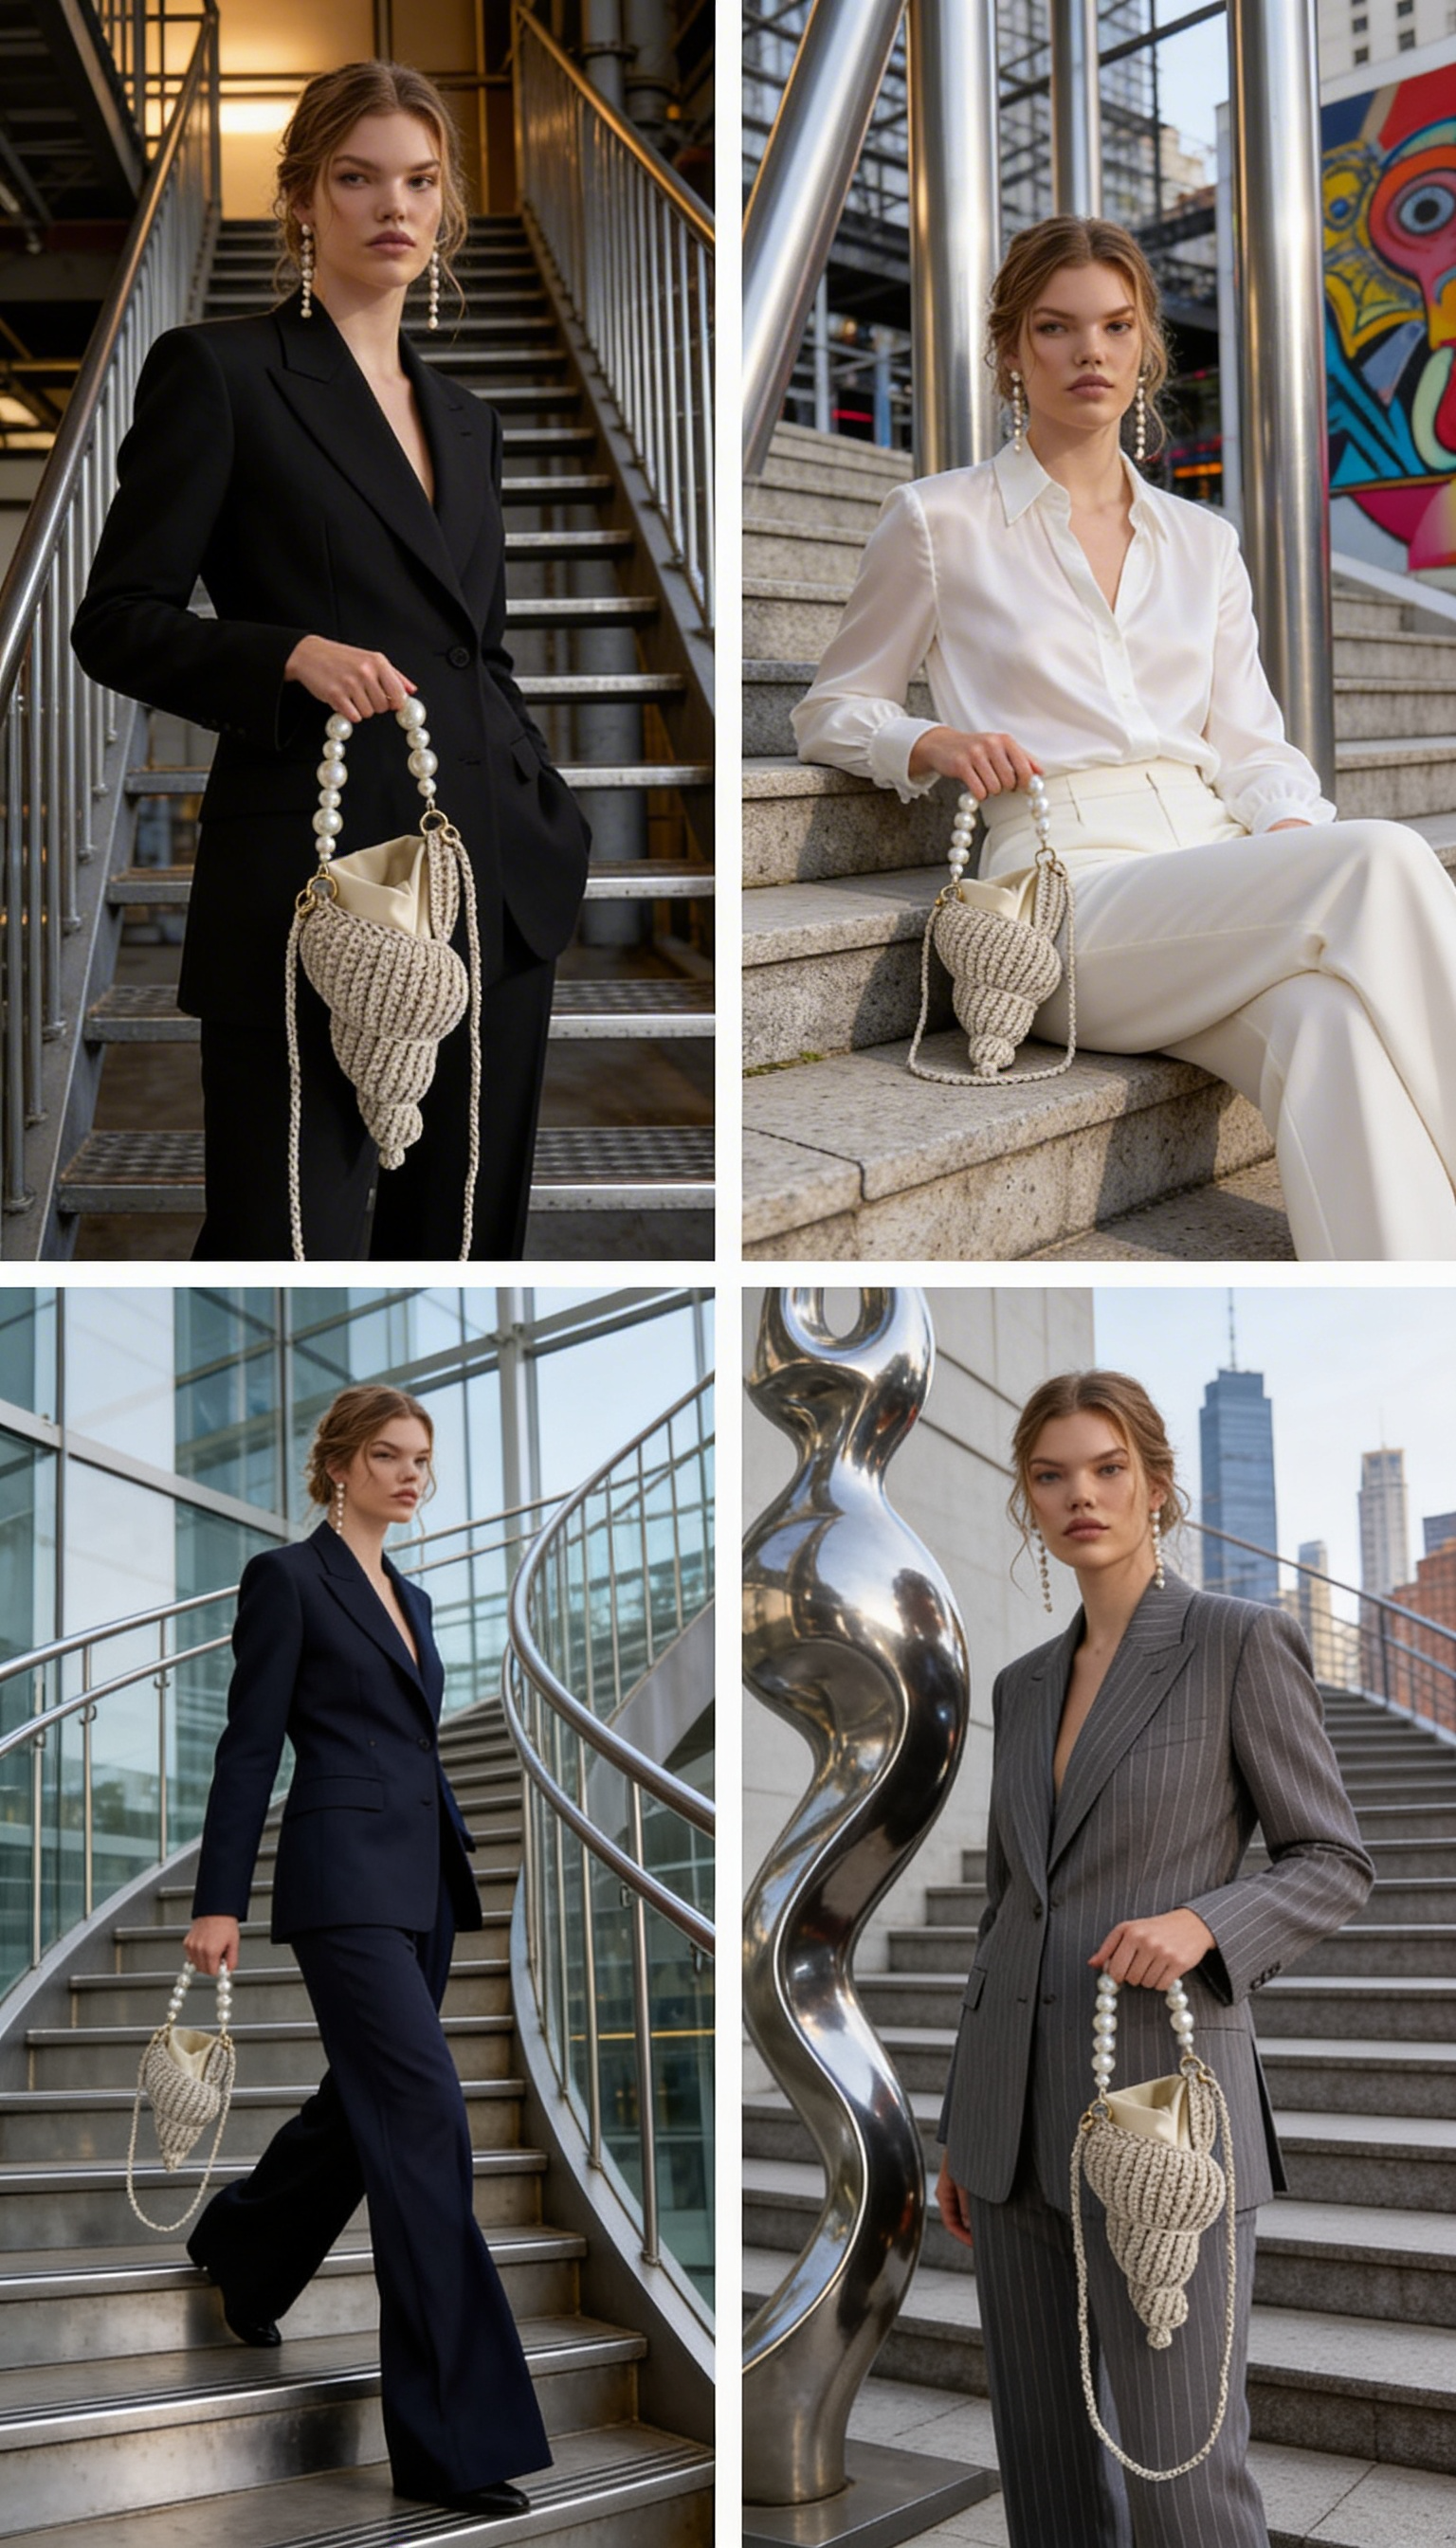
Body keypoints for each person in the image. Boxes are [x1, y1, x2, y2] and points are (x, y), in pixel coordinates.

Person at [792, 214, 1456, 1260]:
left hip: (1216, 870)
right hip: (1065, 890)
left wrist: (1284, 822)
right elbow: (832, 708)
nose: (1088, 352)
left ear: (1146, 345)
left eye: (1114, 325)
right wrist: (931, 740)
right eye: (1055, 328)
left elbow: (1255, 746)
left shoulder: (1203, 540)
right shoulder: (938, 518)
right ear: (1012, 349)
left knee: (1326, 1029)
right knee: (1381, 855)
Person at [72, 60, 591, 1262]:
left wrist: (543, 804)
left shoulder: (467, 416)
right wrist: (286, 652)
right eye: (356, 178)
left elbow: (482, 646)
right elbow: (117, 619)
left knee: (464, 1240)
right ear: (303, 196)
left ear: (447, 201)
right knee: (283, 1234)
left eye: (418, 179)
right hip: (318, 875)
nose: (389, 207)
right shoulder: (222, 372)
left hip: (498, 876)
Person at [933, 1370, 1373, 2546]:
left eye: (1108, 1467)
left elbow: (1331, 1859)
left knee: (1183, 2470)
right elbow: (1004, 1913)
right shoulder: (1023, 1689)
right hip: (1014, 2130)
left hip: (1162, 2125)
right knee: (1049, 2473)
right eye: (1051, 1474)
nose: (1081, 1495)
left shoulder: (1236, 1642)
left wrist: (1206, 1924)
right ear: (1027, 1499)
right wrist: (964, 2125)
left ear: (1158, 1485)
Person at [181, 1383, 550, 2519]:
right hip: (341, 1886)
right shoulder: (287, 1581)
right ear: (336, 1465)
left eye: (422, 1459)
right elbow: (251, 1748)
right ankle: (450, 2443)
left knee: (366, 2108)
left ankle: (242, 2250)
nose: (410, 1475)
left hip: (425, 1887)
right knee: (428, 2121)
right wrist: (217, 1900)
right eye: (387, 1455)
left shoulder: (417, 1596)